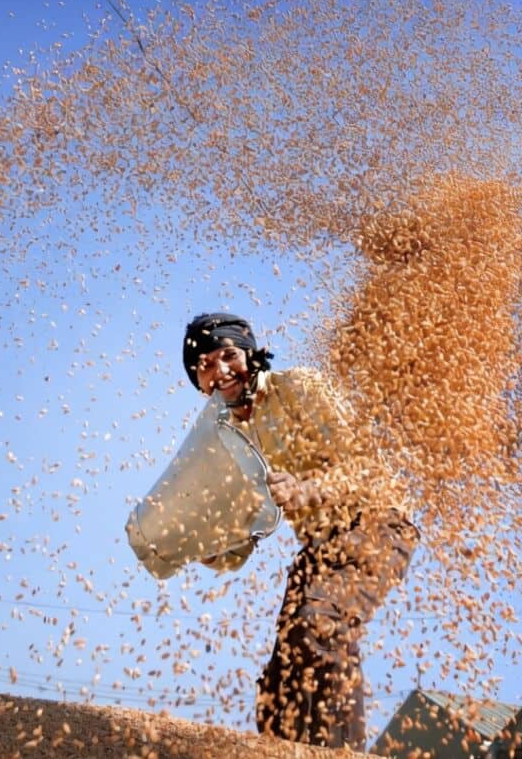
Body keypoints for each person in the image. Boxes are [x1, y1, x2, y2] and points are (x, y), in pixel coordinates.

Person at [182, 312, 417, 749]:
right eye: (205, 366)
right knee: (278, 686)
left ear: (250, 354)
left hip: (376, 526)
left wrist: (308, 489)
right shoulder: (229, 437)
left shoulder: (300, 388)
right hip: (318, 548)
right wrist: (215, 551)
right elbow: (248, 528)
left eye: (227, 355)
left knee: (319, 627)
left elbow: (366, 468)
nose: (220, 371)